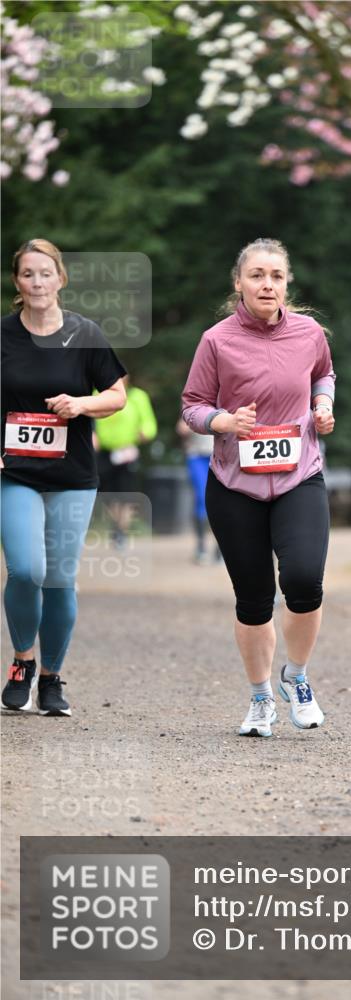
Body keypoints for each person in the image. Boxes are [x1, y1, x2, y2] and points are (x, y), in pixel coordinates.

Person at [181, 237, 335, 737]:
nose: (267, 284)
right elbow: (192, 405)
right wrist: (224, 421)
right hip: (234, 485)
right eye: (257, 275)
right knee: (253, 598)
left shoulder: (310, 333)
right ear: (239, 284)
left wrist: (323, 406)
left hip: (299, 477)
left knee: (305, 582)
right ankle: (260, 698)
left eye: (276, 276)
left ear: (286, 283)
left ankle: (298, 675)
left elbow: (324, 375)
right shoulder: (216, 340)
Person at [1, 238, 126, 716]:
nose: (37, 282)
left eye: (45, 273)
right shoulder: (3, 335)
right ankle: (21, 661)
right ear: (18, 282)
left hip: (72, 474)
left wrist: (81, 405)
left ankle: (52, 678)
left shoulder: (85, 333)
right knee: (27, 569)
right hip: (15, 471)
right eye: (28, 274)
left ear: (60, 279)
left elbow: (116, 395)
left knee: (59, 579)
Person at [95, 374, 157, 549]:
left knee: (126, 493)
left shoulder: (138, 396)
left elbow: (149, 423)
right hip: (105, 451)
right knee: (107, 493)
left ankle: (121, 531)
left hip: (127, 451)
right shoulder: (97, 394)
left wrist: (145, 432)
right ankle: (116, 525)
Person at [175, 418, 223, 564]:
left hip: (221, 455)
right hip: (196, 455)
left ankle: (220, 548)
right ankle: (201, 546)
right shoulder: (195, 395)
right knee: (202, 497)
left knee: (222, 501)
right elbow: (182, 426)